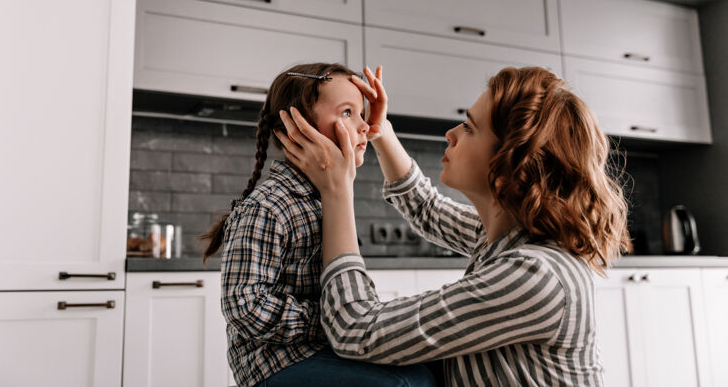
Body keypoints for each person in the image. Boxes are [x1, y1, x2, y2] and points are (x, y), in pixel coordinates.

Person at [276, 65, 632, 386]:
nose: (451, 133)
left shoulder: (536, 276)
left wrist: (336, 191)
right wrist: (379, 131)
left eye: (470, 127)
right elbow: (425, 208)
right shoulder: (510, 237)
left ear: (511, 166)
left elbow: (358, 330)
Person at [200, 63, 437, 387]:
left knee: (429, 372)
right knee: (404, 385)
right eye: (347, 112)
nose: (365, 126)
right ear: (297, 125)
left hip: (326, 350)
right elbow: (245, 306)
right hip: (277, 363)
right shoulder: (268, 206)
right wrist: (329, 321)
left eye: (362, 113)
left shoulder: (328, 198)